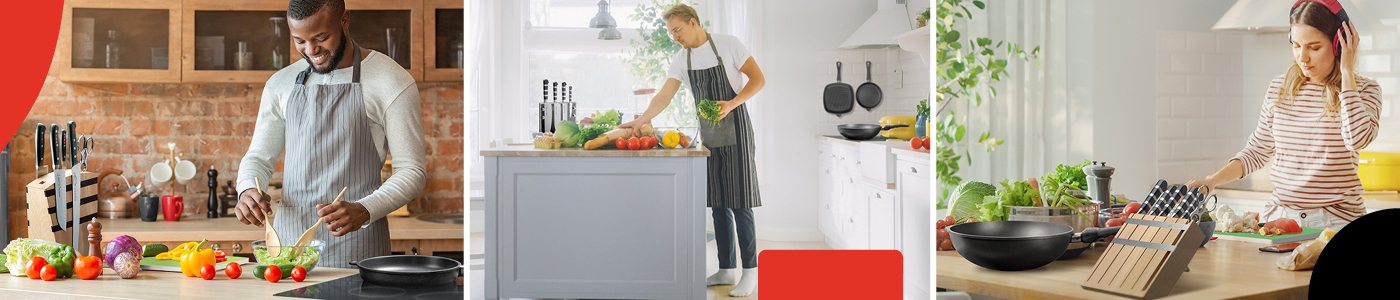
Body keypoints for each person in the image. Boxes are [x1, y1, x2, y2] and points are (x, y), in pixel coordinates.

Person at [234, 0, 426, 267]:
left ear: (344, 20)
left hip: (358, 250)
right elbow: (258, 157)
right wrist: (246, 190)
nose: (311, 51)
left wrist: (366, 209)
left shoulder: (391, 80)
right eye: (299, 41)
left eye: (321, 38)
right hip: (288, 252)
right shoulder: (280, 84)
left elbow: (412, 171)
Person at [1187, 0, 1378, 231]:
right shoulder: (1279, 87)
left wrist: (1347, 72)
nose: (1303, 58)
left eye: (1314, 47)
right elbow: (1258, 149)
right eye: (1296, 45)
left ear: (1339, 44)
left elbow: (1356, 139)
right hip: (1278, 217)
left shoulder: (1365, 90)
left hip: (1336, 222)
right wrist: (1212, 181)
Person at [618, 3, 766, 297]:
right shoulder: (681, 60)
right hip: (709, 136)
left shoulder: (727, 45)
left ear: (694, 22)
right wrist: (642, 119)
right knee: (718, 204)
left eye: (677, 30)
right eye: (670, 32)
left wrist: (732, 104)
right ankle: (726, 269)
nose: (675, 36)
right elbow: (664, 95)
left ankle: (750, 272)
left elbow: (758, 79)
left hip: (736, 131)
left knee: (740, 203)